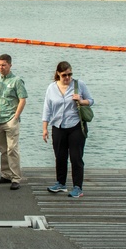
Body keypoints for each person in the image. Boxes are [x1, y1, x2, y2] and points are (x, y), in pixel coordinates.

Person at [41, 61, 94, 198]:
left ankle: (78, 187)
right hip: (58, 126)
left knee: (76, 157)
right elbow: (47, 109)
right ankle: (61, 183)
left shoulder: (79, 85)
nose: (67, 77)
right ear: (58, 74)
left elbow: (91, 100)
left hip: (75, 125)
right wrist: (44, 128)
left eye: (70, 74)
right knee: (60, 156)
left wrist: (81, 101)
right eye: (64, 75)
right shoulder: (51, 88)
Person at [0, 54, 27, 190]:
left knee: (12, 150)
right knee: (3, 149)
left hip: (10, 119)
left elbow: (22, 99)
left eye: (4, 65)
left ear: (10, 65)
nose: (1, 67)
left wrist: (16, 116)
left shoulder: (17, 81)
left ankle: (16, 178)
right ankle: (5, 174)